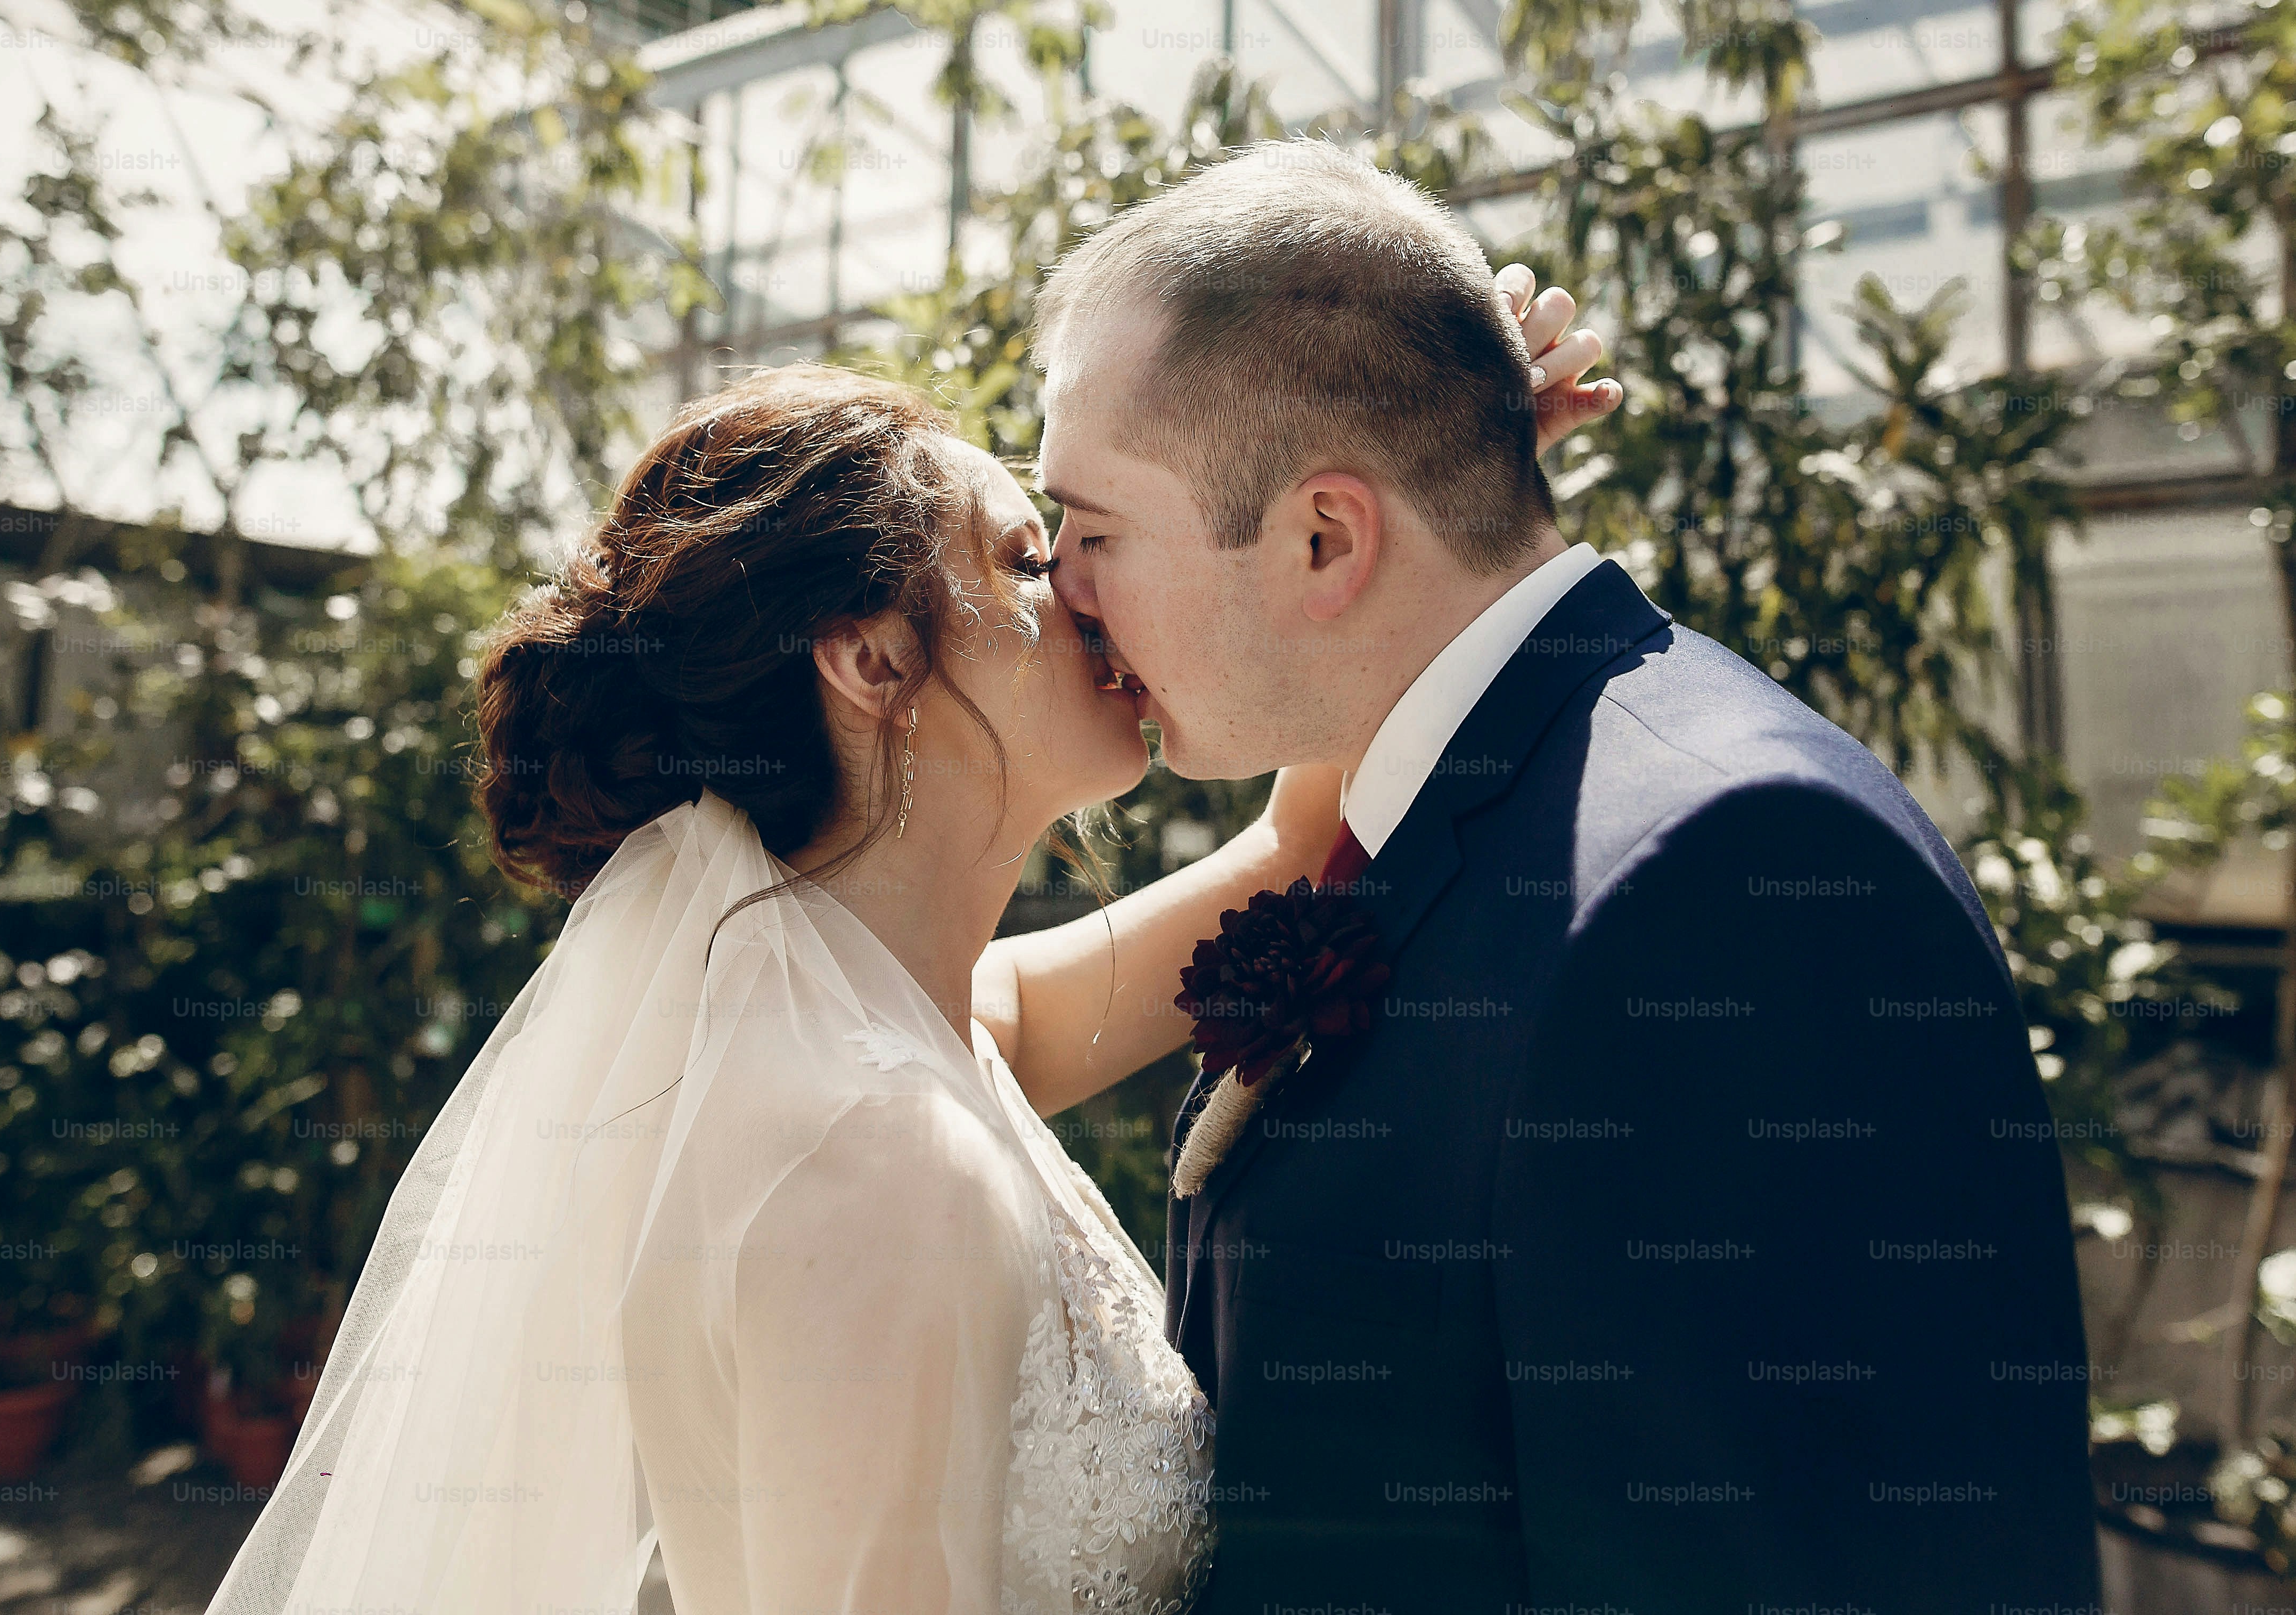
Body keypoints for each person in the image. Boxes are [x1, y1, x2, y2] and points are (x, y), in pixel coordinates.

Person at [201, 321, 1614, 1614]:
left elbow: (1290, 843)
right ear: (871, 659)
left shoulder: (913, 1019)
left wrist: (1427, 495)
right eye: (1018, 556)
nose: (1084, 583)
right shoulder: (870, 1154)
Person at [1033, 138, 2102, 1613]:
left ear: (1325, 533)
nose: (1062, 600)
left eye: (1089, 533)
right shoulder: (1441, 805)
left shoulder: (1725, 883)